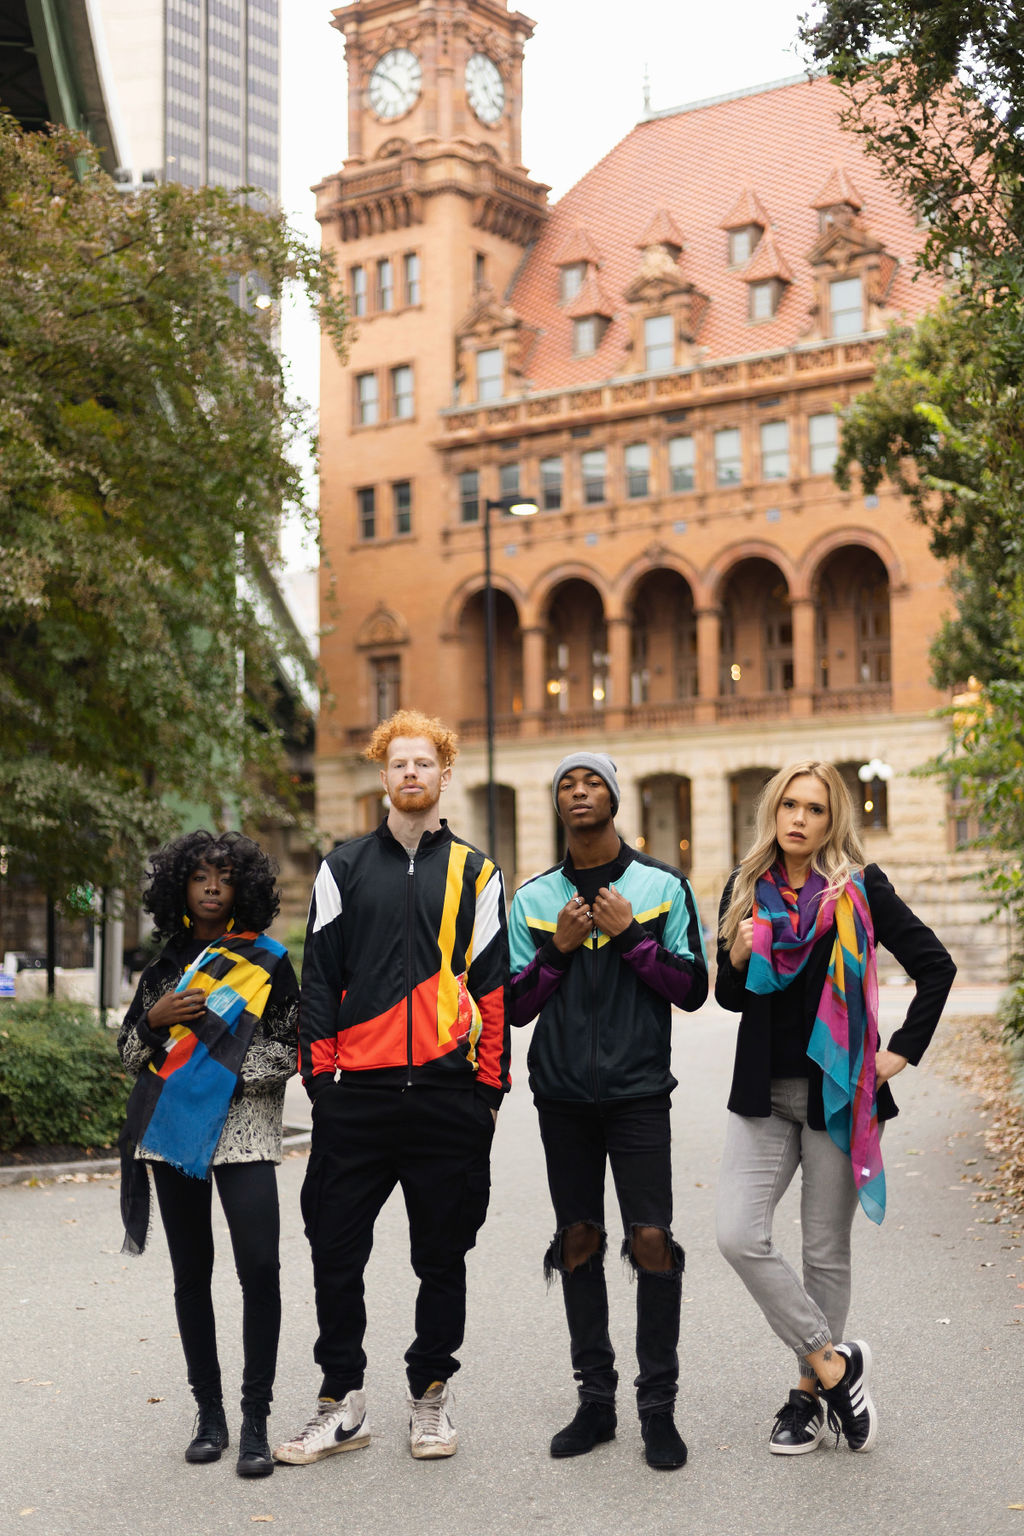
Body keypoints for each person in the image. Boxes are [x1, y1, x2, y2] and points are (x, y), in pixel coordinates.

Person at [274, 709, 510, 1467]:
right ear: (383, 776)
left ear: (445, 776)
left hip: (448, 1102)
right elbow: (320, 981)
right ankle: (341, 1402)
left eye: (424, 763)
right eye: (398, 763)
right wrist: (322, 1084)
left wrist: (487, 1095)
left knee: (441, 1260)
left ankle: (430, 1398)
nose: (411, 774)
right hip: (358, 1102)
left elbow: (494, 990)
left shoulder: (477, 873)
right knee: (333, 1252)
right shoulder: (341, 868)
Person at [715, 761, 956, 1457]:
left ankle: (806, 1399)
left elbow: (934, 965)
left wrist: (899, 1053)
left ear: (833, 818)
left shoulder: (858, 888)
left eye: (815, 809)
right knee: (737, 1234)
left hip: (837, 1093)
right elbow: (731, 998)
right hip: (762, 1092)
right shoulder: (745, 885)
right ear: (773, 811)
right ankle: (834, 1362)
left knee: (825, 1253)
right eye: (789, 804)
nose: (799, 819)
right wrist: (734, 958)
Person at [508, 752, 707, 1471]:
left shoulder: (661, 887)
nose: (579, 791)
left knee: (652, 1238)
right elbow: (515, 1006)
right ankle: (596, 1403)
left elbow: (691, 989)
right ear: (556, 805)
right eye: (566, 783)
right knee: (579, 1239)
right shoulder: (532, 899)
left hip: (638, 1093)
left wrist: (630, 938)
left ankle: (659, 1410)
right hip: (562, 1095)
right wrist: (557, 951)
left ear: (615, 798)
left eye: (592, 781)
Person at [118, 830, 299, 1478]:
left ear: (243, 885)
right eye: (199, 876)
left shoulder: (269, 962)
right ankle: (210, 1415)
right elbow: (129, 1056)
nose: (213, 885)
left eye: (225, 875)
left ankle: (255, 1419)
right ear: (181, 890)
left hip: (245, 1132)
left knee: (260, 1269)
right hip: (174, 1136)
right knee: (192, 1274)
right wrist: (156, 1019)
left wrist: (221, 1068)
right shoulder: (163, 970)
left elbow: (291, 1049)